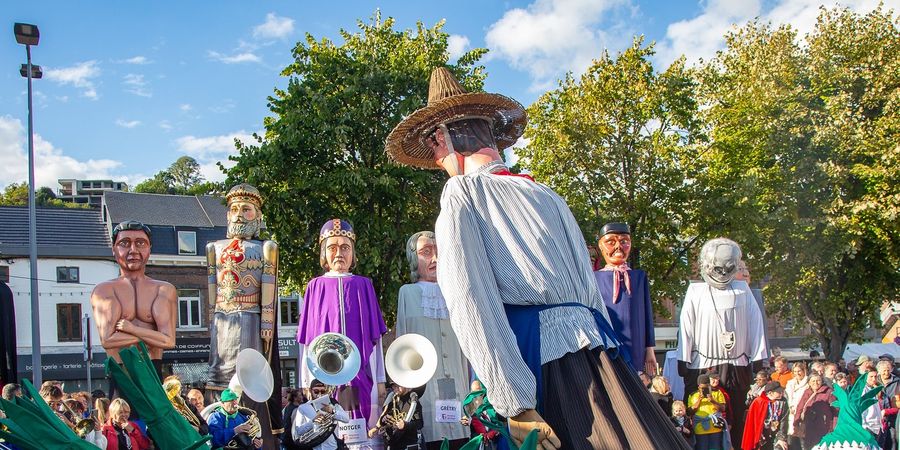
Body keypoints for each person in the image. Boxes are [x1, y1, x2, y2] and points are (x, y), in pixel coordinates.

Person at [385, 67, 691, 449]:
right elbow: (590, 293)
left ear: (443, 138)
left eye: (434, 149)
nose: (437, 160)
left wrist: (514, 402)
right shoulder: (547, 193)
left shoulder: (461, 193)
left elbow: (471, 302)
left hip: (536, 364)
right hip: (597, 356)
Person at [296, 219, 388, 447]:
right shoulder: (314, 286)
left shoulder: (364, 285)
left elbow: (375, 340)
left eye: (345, 247)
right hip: (323, 379)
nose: (339, 253)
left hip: (361, 377)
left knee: (362, 435)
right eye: (332, 247)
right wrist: (306, 380)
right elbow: (307, 341)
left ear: (353, 253)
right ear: (324, 253)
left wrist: (380, 380)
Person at [207, 184, 283, 447]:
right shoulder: (214, 247)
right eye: (234, 209)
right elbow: (211, 287)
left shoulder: (266, 248)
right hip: (222, 319)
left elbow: (269, 290)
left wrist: (266, 323)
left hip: (251, 316)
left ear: (258, 216)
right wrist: (211, 320)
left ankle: (256, 432)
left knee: (250, 377)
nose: (239, 214)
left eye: (246, 209)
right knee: (219, 373)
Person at [677, 238, 768, 449]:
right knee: (702, 411)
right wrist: (684, 356)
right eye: (718, 268)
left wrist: (758, 357)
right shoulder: (696, 291)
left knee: (734, 414)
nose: (722, 273)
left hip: (737, 365)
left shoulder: (743, 290)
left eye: (728, 267)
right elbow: (686, 325)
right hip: (703, 364)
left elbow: (756, 324)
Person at [395, 231, 470, 450]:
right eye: (426, 253)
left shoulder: (458, 294)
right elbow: (403, 341)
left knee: (460, 438)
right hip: (425, 391)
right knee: (430, 437)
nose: (435, 259)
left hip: (459, 384)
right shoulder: (407, 293)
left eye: (439, 252)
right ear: (412, 258)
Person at [90, 220, 176, 381]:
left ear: (150, 249)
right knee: (121, 407)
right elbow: (108, 340)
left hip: (152, 367)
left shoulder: (164, 289)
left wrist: (132, 329)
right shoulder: (104, 290)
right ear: (114, 250)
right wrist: (152, 336)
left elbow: (169, 340)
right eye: (125, 243)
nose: (133, 250)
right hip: (120, 369)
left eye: (140, 243)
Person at [593, 222, 657, 375]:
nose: (618, 246)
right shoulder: (594, 278)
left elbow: (647, 316)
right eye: (611, 242)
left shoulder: (639, 277)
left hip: (636, 350)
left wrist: (650, 350)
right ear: (601, 246)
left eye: (624, 241)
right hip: (606, 347)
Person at [290, 379, 350, 450]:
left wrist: (332, 411)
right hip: (314, 447)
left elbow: (346, 419)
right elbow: (299, 431)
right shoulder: (303, 407)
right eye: (316, 391)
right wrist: (313, 422)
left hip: (333, 447)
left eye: (322, 391)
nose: (319, 394)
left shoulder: (333, 403)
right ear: (310, 390)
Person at [368, 382, 424, 450]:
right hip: (392, 443)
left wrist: (405, 425)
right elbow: (385, 415)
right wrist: (380, 424)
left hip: (407, 444)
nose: (395, 388)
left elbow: (419, 423)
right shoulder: (392, 400)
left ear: (405, 385)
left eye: (397, 386)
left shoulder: (413, 402)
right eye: (393, 386)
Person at [793, 374, 836, 450]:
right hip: (808, 426)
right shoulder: (807, 392)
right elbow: (800, 407)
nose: (815, 383)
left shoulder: (829, 392)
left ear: (822, 381)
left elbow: (835, 411)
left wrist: (834, 428)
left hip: (824, 427)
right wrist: (796, 423)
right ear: (809, 383)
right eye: (813, 381)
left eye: (818, 380)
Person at [742, 381, 788, 450]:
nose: (781, 393)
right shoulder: (758, 402)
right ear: (770, 393)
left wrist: (781, 438)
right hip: (761, 436)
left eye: (782, 391)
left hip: (776, 434)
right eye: (779, 392)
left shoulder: (783, 402)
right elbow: (753, 423)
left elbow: (784, 420)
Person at [688, 374, 727, 450]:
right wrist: (699, 400)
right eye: (702, 387)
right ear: (698, 386)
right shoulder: (693, 395)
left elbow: (723, 408)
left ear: (709, 385)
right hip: (700, 429)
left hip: (715, 428)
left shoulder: (717, 393)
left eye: (706, 387)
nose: (704, 389)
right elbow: (689, 412)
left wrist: (713, 401)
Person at [785, 362, 809, 450]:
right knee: (792, 439)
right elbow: (788, 397)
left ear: (804, 371)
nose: (797, 373)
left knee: (803, 440)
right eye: (795, 371)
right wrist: (790, 406)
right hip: (791, 413)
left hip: (803, 413)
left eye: (799, 371)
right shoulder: (790, 383)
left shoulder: (808, 383)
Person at [877, 360, 899, 449]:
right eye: (884, 370)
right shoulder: (875, 381)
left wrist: (888, 411)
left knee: (892, 440)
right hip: (878, 418)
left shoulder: (897, 382)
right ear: (879, 371)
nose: (886, 373)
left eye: (888, 370)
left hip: (893, 417)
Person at [860, 370, 883, 442]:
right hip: (868, 426)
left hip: (877, 426)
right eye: (871, 376)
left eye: (875, 377)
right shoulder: (863, 390)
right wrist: (864, 426)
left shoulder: (874, 389)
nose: (873, 379)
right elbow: (862, 409)